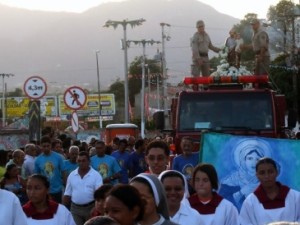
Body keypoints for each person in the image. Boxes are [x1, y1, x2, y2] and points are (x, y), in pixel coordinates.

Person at [240, 157, 300, 225]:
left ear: (276, 172)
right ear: (257, 175)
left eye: (270, 172)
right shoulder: (250, 202)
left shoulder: (296, 197)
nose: (267, 176)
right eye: (262, 173)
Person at [219, 138, 272, 210]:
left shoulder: (267, 179)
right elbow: (222, 202)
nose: (253, 162)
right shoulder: (232, 180)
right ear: (243, 160)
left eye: (257, 159)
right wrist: (242, 192)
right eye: (250, 158)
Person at [63, 151, 103, 225]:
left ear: (89, 161)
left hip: (91, 208)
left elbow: (99, 194)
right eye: (79, 161)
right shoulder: (72, 175)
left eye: (83, 161)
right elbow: (67, 193)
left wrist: (96, 207)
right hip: (75, 209)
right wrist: (63, 208)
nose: (81, 163)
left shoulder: (96, 175)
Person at [34, 135, 65, 203]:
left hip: (57, 190)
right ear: (41, 146)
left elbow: (63, 172)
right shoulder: (38, 160)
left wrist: (65, 185)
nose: (46, 148)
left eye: (48, 146)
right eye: (44, 146)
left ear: (51, 146)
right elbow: (36, 176)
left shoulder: (58, 157)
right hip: (44, 191)